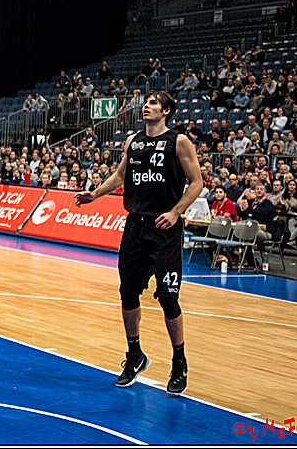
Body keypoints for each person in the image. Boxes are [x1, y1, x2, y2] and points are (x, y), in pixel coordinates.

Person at [75, 91, 203, 397]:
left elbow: (197, 182)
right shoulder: (133, 142)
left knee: (168, 298)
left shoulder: (180, 141)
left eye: (154, 102)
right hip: (135, 227)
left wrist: (175, 212)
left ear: (167, 110)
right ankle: (135, 355)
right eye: (146, 102)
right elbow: (120, 175)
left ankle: (179, 362)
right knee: (128, 293)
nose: (147, 106)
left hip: (165, 230)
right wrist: (94, 194)